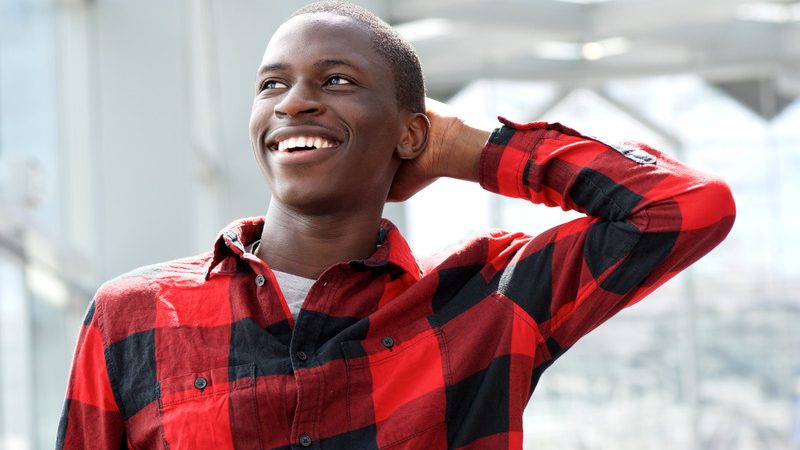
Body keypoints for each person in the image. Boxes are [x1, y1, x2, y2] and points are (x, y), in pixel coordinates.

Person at [56, 1, 736, 449]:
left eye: (337, 81)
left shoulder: (488, 300)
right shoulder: (133, 316)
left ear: (411, 131)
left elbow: (683, 206)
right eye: (272, 85)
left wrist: (464, 146)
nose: (294, 102)